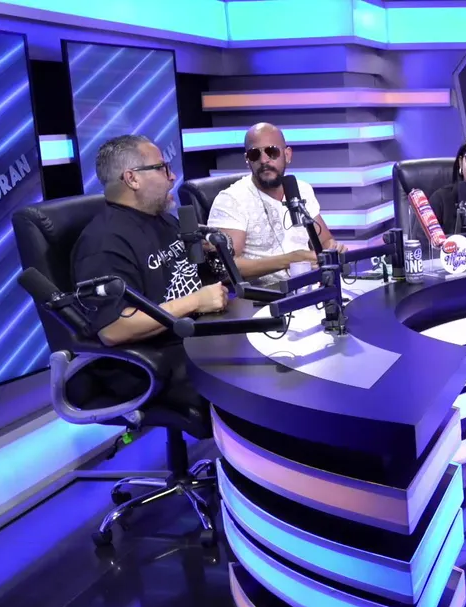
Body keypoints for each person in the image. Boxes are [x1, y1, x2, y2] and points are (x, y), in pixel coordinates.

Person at [72, 134, 228, 403]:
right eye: (162, 168)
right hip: (154, 363)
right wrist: (195, 301)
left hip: (193, 338)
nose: (172, 176)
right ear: (132, 178)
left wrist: (212, 253)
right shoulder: (103, 243)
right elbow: (113, 328)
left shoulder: (164, 221)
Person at [207, 123, 343, 285]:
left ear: (287, 155)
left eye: (272, 152)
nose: (264, 160)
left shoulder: (302, 189)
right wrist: (290, 260)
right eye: (254, 154)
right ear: (247, 160)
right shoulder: (231, 199)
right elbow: (225, 269)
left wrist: (333, 248)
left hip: (311, 286)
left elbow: (325, 241)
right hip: (264, 294)